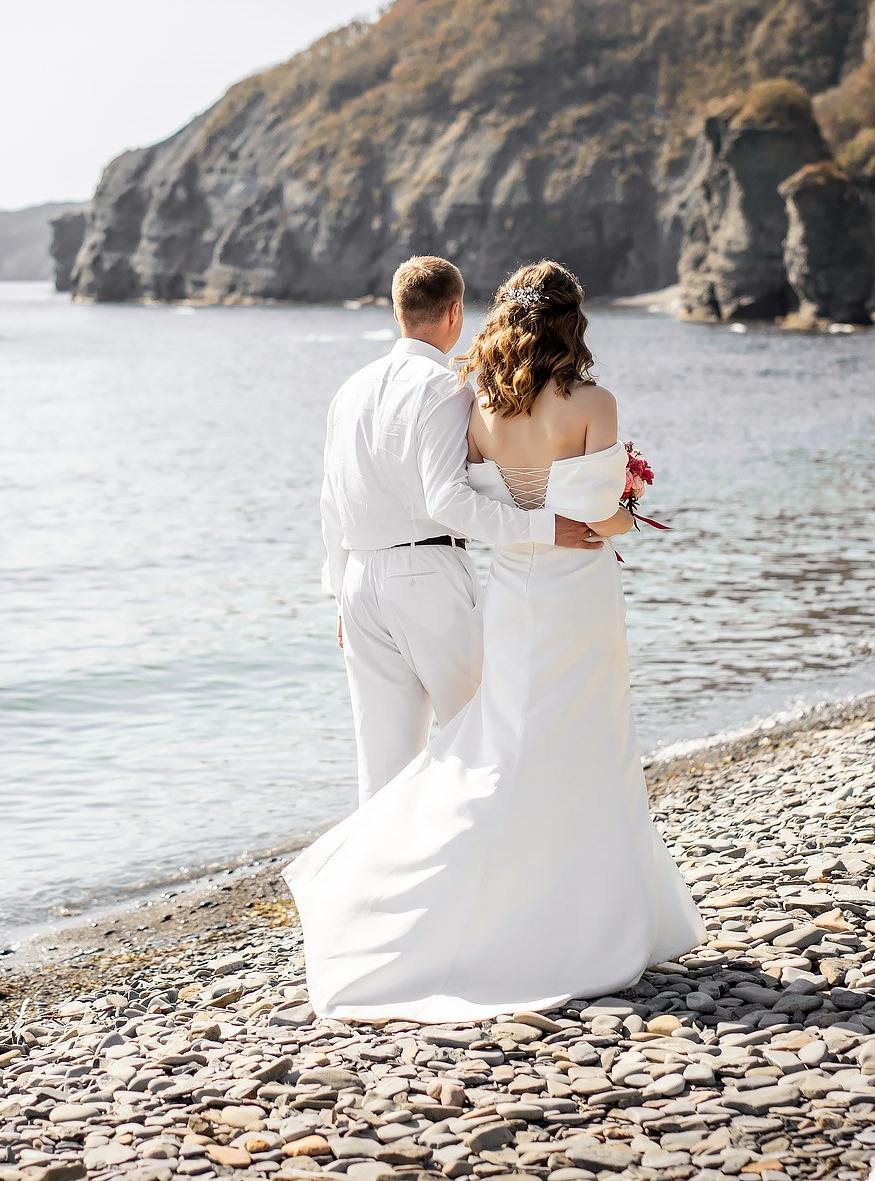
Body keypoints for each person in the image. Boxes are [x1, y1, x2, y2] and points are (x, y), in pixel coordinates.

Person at [287, 259, 703, 1022]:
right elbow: (596, 516)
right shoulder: (574, 400)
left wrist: (336, 584)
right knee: (559, 744)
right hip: (553, 593)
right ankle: (564, 913)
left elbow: (333, 495)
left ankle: (388, 899)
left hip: (470, 593)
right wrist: (628, 501)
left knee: (478, 751)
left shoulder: (464, 403)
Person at [318, 255, 604, 800]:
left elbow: (331, 503)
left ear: (397, 310)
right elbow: (447, 499)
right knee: (477, 735)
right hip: (426, 573)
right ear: (455, 312)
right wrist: (544, 527)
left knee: (383, 762)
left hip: (357, 582)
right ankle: (482, 868)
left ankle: (385, 881)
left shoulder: (349, 390)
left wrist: (338, 590)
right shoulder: (445, 386)